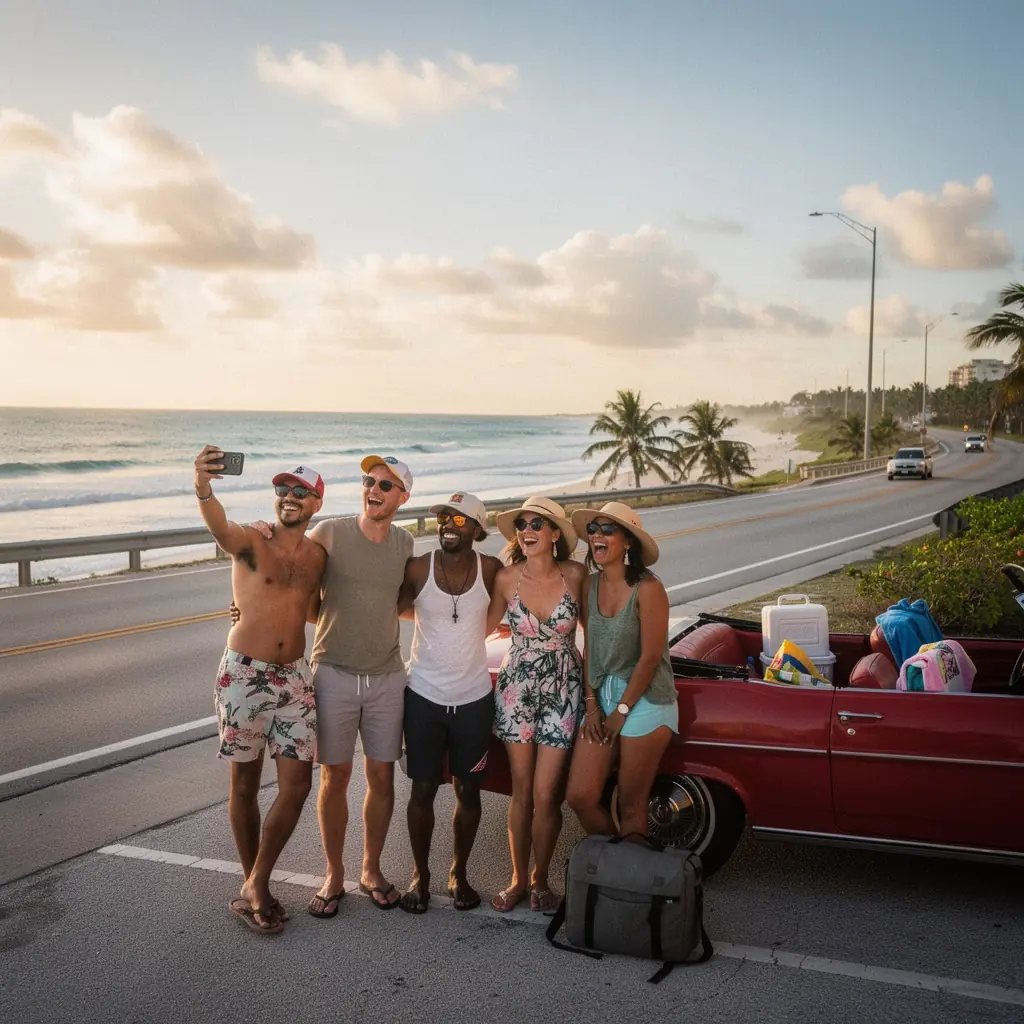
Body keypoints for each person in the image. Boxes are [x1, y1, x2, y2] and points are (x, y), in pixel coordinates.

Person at [194, 449, 327, 935]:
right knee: (245, 786)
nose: (287, 498)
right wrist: (203, 486)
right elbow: (218, 528)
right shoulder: (252, 538)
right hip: (244, 675)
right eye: (282, 490)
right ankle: (257, 889)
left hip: (294, 676)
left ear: (315, 504)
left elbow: (314, 609)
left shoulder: (318, 556)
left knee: (297, 784)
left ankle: (256, 882)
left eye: (299, 492)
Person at [304, 454, 415, 916]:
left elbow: (410, 604)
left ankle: (370, 869)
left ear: (403, 497)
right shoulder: (329, 532)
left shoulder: (406, 545)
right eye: (369, 481)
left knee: (381, 776)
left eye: (386, 486)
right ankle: (334, 874)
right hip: (333, 673)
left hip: (388, 677)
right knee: (334, 776)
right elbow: (296, 582)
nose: (374, 490)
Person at [397, 493, 502, 914]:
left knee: (469, 790)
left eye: (459, 519)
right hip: (423, 697)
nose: (448, 525)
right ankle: (420, 877)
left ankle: (459, 873)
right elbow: (382, 603)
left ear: (477, 529)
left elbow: (536, 586)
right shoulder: (418, 567)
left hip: (474, 700)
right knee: (421, 789)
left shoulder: (491, 570)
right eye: (443, 518)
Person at [485, 496, 586, 913]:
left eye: (536, 524)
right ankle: (516, 880)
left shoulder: (577, 575)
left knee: (547, 793)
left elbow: (595, 633)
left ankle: (541, 879)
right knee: (521, 790)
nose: (526, 530)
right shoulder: (507, 578)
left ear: (555, 534)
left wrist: (596, 697)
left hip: (564, 686)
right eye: (521, 523)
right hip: (517, 687)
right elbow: (479, 628)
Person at [564, 502, 678, 840]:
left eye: (608, 530)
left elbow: (650, 657)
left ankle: (630, 883)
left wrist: (622, 711)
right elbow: (592, 646)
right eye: (593, 530)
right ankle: (615, 862)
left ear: (628, 542)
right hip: (603, 694)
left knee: (631, 805)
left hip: (647, 698)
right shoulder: (590, 585)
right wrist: (591, 704)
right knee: (580, 796)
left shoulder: (648, 588)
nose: (597, 535)